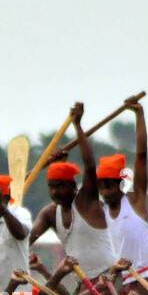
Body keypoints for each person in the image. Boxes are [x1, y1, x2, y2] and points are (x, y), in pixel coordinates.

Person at [30, 102, 120, 284]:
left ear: (73, 187)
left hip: (110, 278)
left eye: (60, 186)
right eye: (51, 186)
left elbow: (89, 165)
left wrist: (77, 125)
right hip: (85, 282)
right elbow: (26, 241)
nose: (55, 192)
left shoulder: (85, 201)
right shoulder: (49, 214)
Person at [97, 96, 148, 285]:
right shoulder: (99, 211)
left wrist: (139, 114)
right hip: (117, 280)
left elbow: (141, 154)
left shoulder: (135, 199)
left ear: (120, 184)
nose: (104, 190)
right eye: (101, 184)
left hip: (144, 279)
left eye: (109, 184)